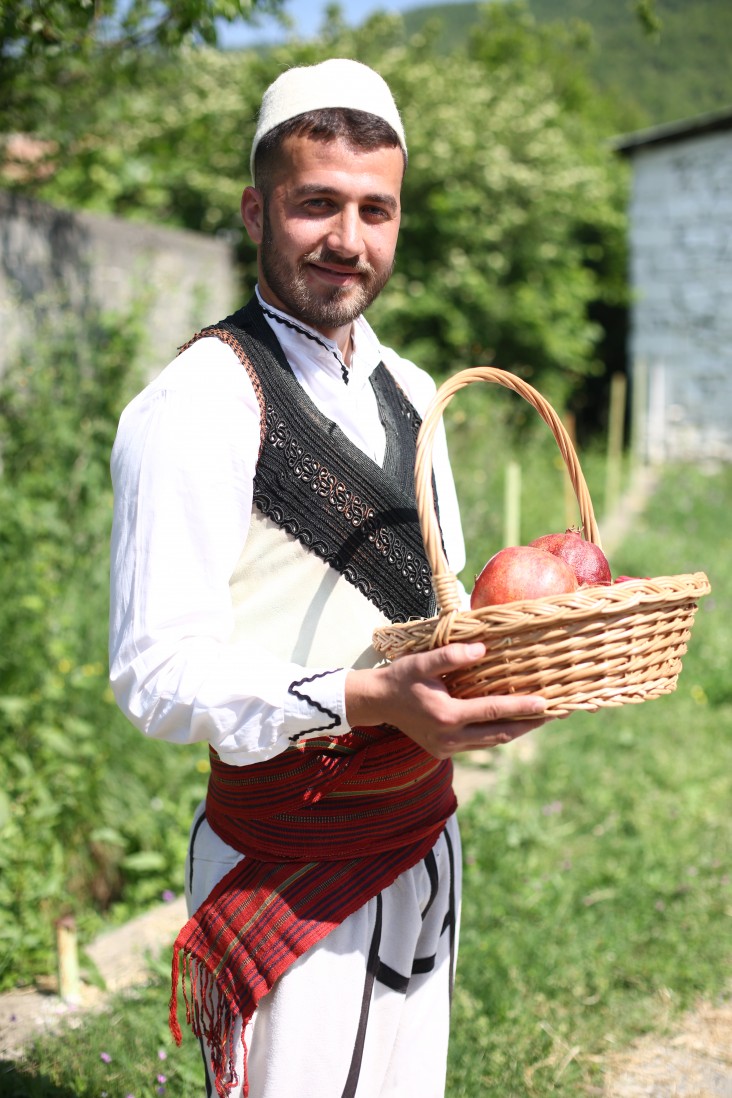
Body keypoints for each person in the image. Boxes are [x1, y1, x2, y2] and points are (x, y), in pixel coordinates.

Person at [109, 58, 548, 1098]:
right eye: (316, 204)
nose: (348, 239)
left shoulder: (412, 389)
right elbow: (154, 674)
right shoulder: (197, 403)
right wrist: (368, 699)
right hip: (288, 860)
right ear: (258, 208)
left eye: (375, 209)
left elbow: (434, 619)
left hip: (420, 835)